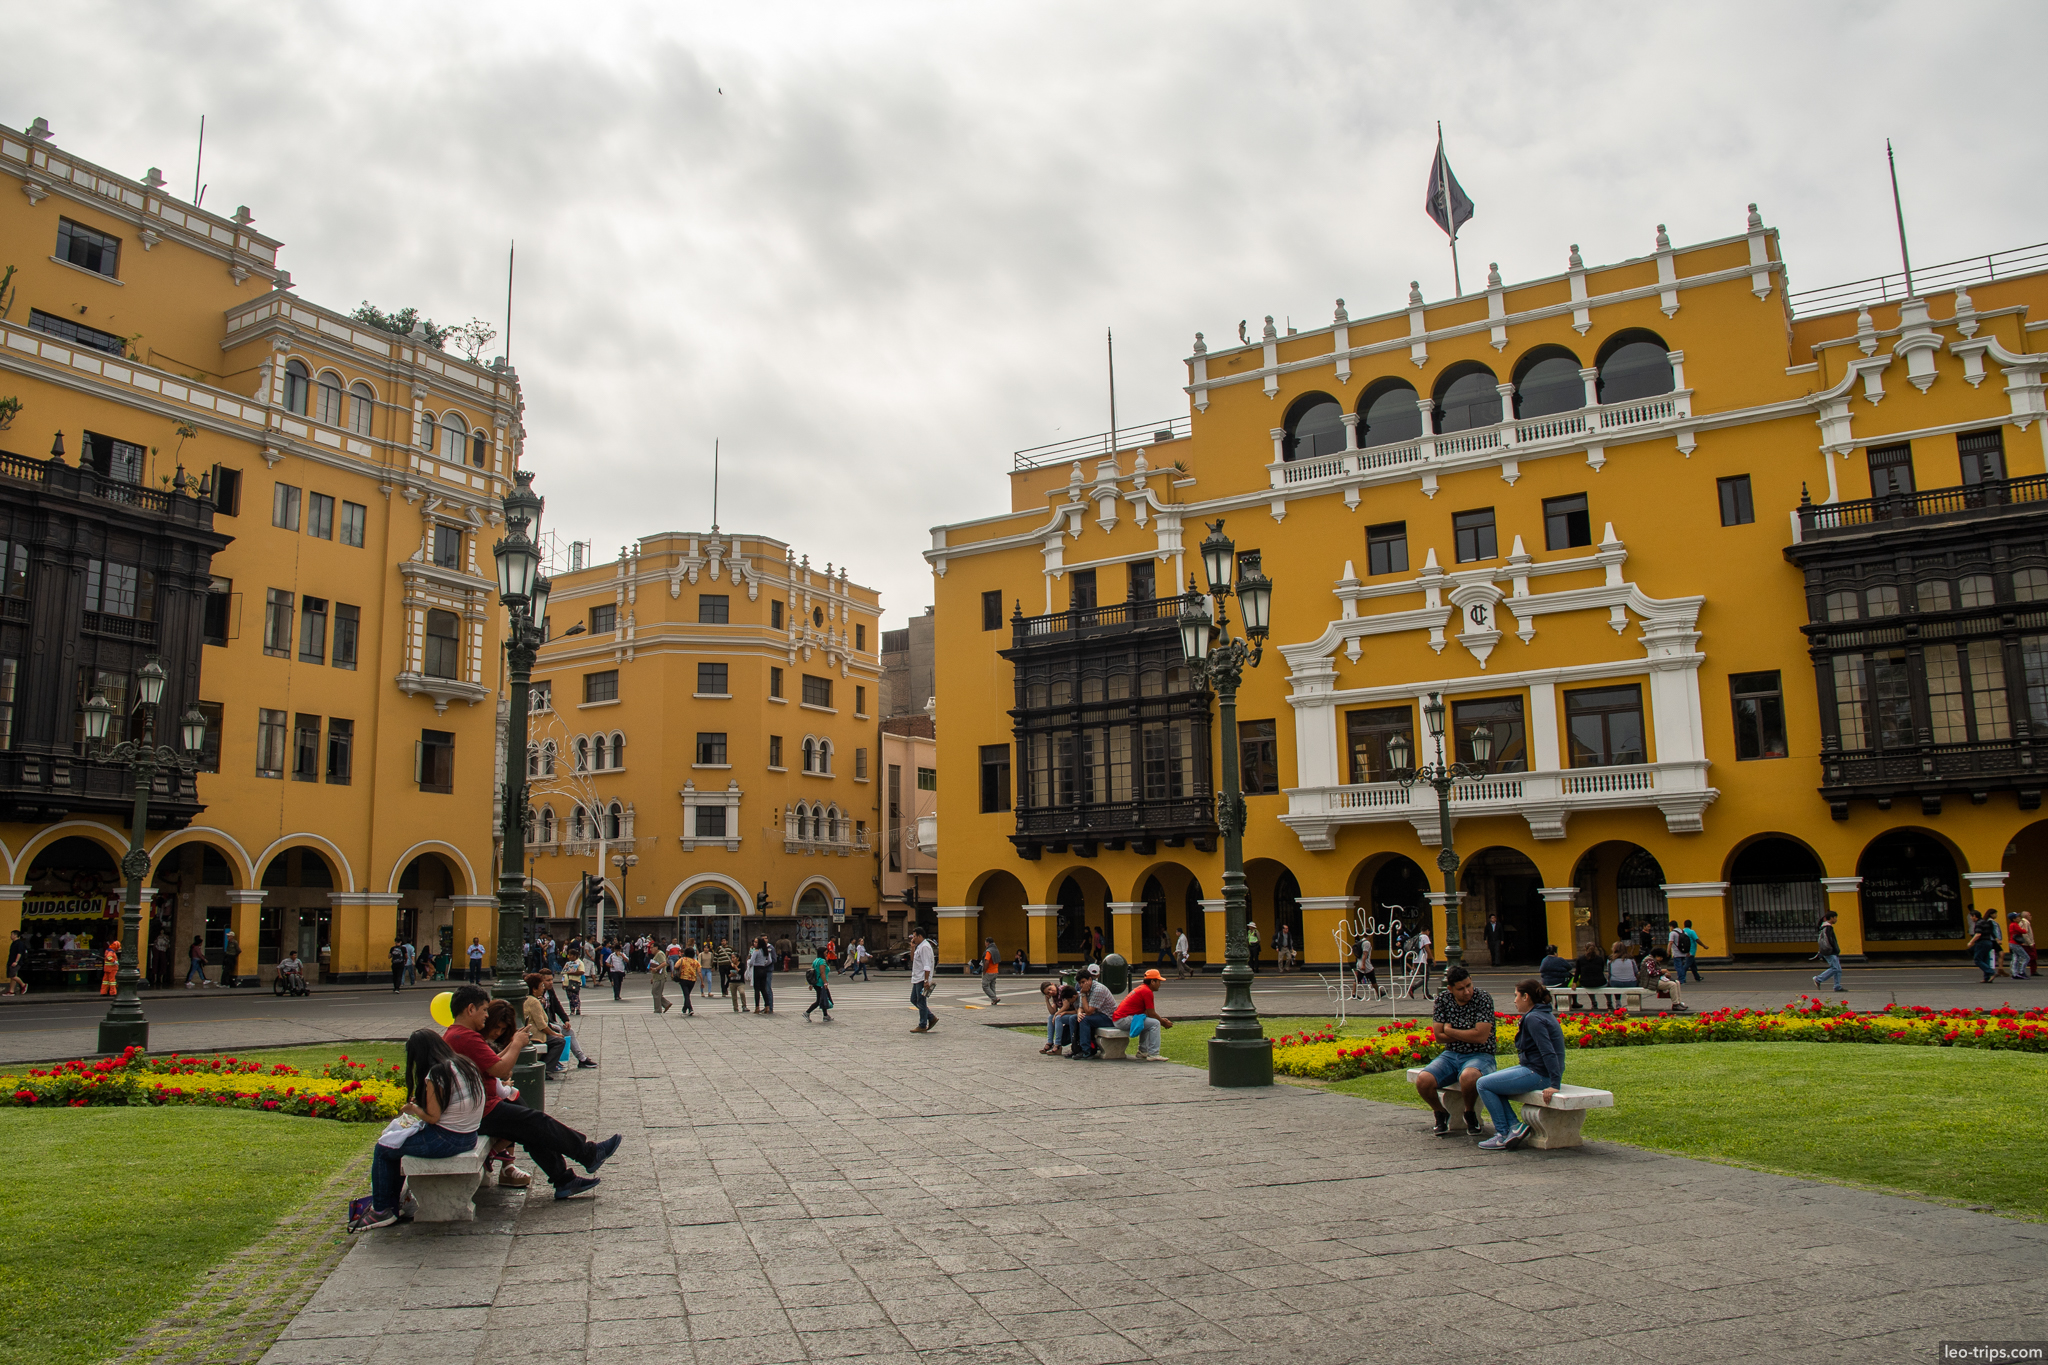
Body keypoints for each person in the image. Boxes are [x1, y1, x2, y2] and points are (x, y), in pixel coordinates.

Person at [442, 985, 619, 1201]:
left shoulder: (458, 1035)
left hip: (483, 1104)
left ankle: (565, 1178)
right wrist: (517, 1044)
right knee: (537, 1122)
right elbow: (501, 1069)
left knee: (534, 1127)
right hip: (481, 1110)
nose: (486, 1015)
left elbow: (492, 1063)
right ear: (470, 1009)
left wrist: (514, 1042)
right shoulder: (465, 1037)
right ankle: (587, 1154)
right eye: (484, 1010)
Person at [354, 1029, 487, 1230]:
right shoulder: (464, 1063)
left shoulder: (437, 1072)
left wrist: (414, 1109)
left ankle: (381, 1210)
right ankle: (394, 1204)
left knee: (383, 1149)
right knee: (397, 1147)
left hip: (446, 1139)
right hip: (469, 1136)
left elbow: (433, 1118)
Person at [1475, 979, 1567, 1152]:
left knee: (1483, 1084)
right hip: (1536, 1069)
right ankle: (1514, 1127)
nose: (1514, 1000)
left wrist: (1555, 1084)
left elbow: (1548, 1052)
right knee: (1491, 1082)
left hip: (1540, 1074)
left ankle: (1503, 1133)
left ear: (1526, 997)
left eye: (1516, 995)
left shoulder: (1534, 1018)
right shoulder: (1541, 1014)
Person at [1411, 964, 1496, 1137]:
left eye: (1468, 986)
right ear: (1450, 989)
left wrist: (1450, 1031)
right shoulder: (1442, 1000)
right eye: (1461, 989)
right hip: (1451, 1055)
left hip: (1480, 1055)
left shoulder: (1483, 998)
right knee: (1423, 1080)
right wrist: (1467, 1033)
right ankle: (1440, 1112)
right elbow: (1439, 1037)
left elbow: (1481, 1037)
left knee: (1469, 1076)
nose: (1467, 992)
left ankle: (1469, 1112)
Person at [1110, 968, 1173, 1061]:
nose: (1160, 984)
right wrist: (1163, 1022)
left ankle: (1143, 1051)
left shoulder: (1142, 988)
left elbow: (1148, 1013)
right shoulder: (1147, 991)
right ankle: (1153, 1054)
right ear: (1152, 981)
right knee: (1154, 1023)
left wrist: (1161, 1019)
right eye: (1158, 981)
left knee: (1148, 1022)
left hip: (1120, 1019)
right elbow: (1151, 1013)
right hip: (1122, 1020)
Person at [539, 971, 596, 1070]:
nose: (551, 982)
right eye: (547, 980)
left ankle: (582, 1058)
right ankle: (555, 1061)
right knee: (559, 1031)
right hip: (544, 1024)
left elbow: (557, 1005)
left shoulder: (550, 991)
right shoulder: (537, 993)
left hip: (551, 1022)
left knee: (568, 1031)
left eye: (552, 980)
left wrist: (565, 1020)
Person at [522, 972, 569, 1078]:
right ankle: (547, 1069)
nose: (543, 988)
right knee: (559, 1041)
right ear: (534, 989)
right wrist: (555, 1034)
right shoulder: (533, 1001)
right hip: (535, 1035)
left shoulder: (531, 999)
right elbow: (541, 1025)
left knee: (556, 1036)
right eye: (541, 986)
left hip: (533, 1033)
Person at [1071, 966, 1118, 1059]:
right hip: (1097, 1015)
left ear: (1090, 979)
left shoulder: (1098, 989)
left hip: (1108, 1017)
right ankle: (1076, 1047)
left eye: (1083, 982)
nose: (1081, 985)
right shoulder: (1084, 989)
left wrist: (1083, 994)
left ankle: (1086, 1051)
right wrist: (1079, 1014)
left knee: (1085, 1020)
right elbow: (1081, 1008)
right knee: (1073, 1018)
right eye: (1080, 983)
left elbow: (1088, 1012)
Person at [909, 928, 937, 1033]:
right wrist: (912, 947)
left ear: (920, 936)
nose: (913, 938)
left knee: (921, 1001)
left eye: (915, 936)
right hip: (916, 978)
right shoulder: (919, 947)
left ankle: (922, 1024)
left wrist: (926, 980)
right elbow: (913, 959)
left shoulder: (925, 947)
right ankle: (930, 1017)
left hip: (921, 978)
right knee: (914, 999)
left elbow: (927, 965)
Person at [1814, 910, 1845, 993]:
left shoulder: (1826, 927)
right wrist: (1833, 949)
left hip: (1830, 951)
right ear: (1831, 918)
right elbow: (1829, 941)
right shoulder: (1827, 928)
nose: (1836, 919)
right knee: (1835, 968)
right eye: (1835, 918)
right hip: (1830, 951)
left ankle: (1837, 986)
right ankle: (1818, 979)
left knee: (1838, 969)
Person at [1969, 912, 2001, 984]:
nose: (1971, 918)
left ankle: (1991, 972)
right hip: (1988, 942)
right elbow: (1991, 932)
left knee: (1977, 959)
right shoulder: (1986, 922)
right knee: (1985, 960)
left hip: (1981, 942)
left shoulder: (1978, 923)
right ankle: (1986, 978)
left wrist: (1971, 942)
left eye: (1971, 916)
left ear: (1974, 916)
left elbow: (1978, 934)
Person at [804, 946, 833, 1022]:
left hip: (816, 983)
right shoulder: (822, 961)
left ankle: (825, 1015)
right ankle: (807, 1012)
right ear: (822, 953)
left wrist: (811, 984)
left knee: (823, 998)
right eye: (826, 952)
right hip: (821, 983)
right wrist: (825, 983)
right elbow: (822, 972)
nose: (827, 954)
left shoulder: (815, 960)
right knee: (819, 1000)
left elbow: (813, 972)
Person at [745, 937, 774, 1013]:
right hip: (763, 969)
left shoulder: (756, 951)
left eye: (756, 942)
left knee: (757, 989)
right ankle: (767, 1006)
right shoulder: (765, 951)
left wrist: (752, 964)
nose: (754, 943)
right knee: (763, 989)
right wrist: (764, 963)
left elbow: (751, 962)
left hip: (757, 969)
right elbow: (770, 960)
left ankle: (757, 1007)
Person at [1353, 936, 1380, 1000]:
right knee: (1373, 980)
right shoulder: (1367, 943)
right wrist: (1363, 965)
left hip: (1359, 963)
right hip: (1366, 965)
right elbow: (1365, 954)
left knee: (1357, 979)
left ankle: (1353, 993)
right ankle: (1379, 993)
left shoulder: (1360, 942)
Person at [647, 947, 672, 1014]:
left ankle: (658, 1009)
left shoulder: (660, 954)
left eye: (652, 948)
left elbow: (664, 963)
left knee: (656, 993)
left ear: (656, 947)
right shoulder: (657, 955)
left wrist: (656, 969)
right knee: (656, 992)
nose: (651, 949)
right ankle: (666, 1004)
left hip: (660, 977)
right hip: (656, 976)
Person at [675, 949, 700, 1015]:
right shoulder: (695, 961)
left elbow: (675, 966)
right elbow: (699, 971)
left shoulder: (682, 959)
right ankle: (685, 1007)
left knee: (686, 994)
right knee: (687, 994)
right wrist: (702, 981)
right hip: (692, 980)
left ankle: (690, 1008)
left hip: (683, 978)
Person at [980, 938, 1001, 1006]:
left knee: (985, 985)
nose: (985, 944)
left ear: (988, 943)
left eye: (985, 942)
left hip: (989, 971)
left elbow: (987, 961)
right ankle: (993, 1000)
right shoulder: (996, 950)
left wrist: (984, 970)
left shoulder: (989, 951)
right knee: (992, 986)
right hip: (995, 970)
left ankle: (994, 998)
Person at [8, 929, 28, 995]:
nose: (11, 936)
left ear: (15, 935)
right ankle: (11, 991)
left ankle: (23, 985)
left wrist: (16, 961)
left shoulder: (19, 943)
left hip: (16, 962)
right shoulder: (14, 943)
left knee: (12, 975)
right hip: (12, 961)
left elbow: (19, 953)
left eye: (12, 934)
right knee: (13, 976)